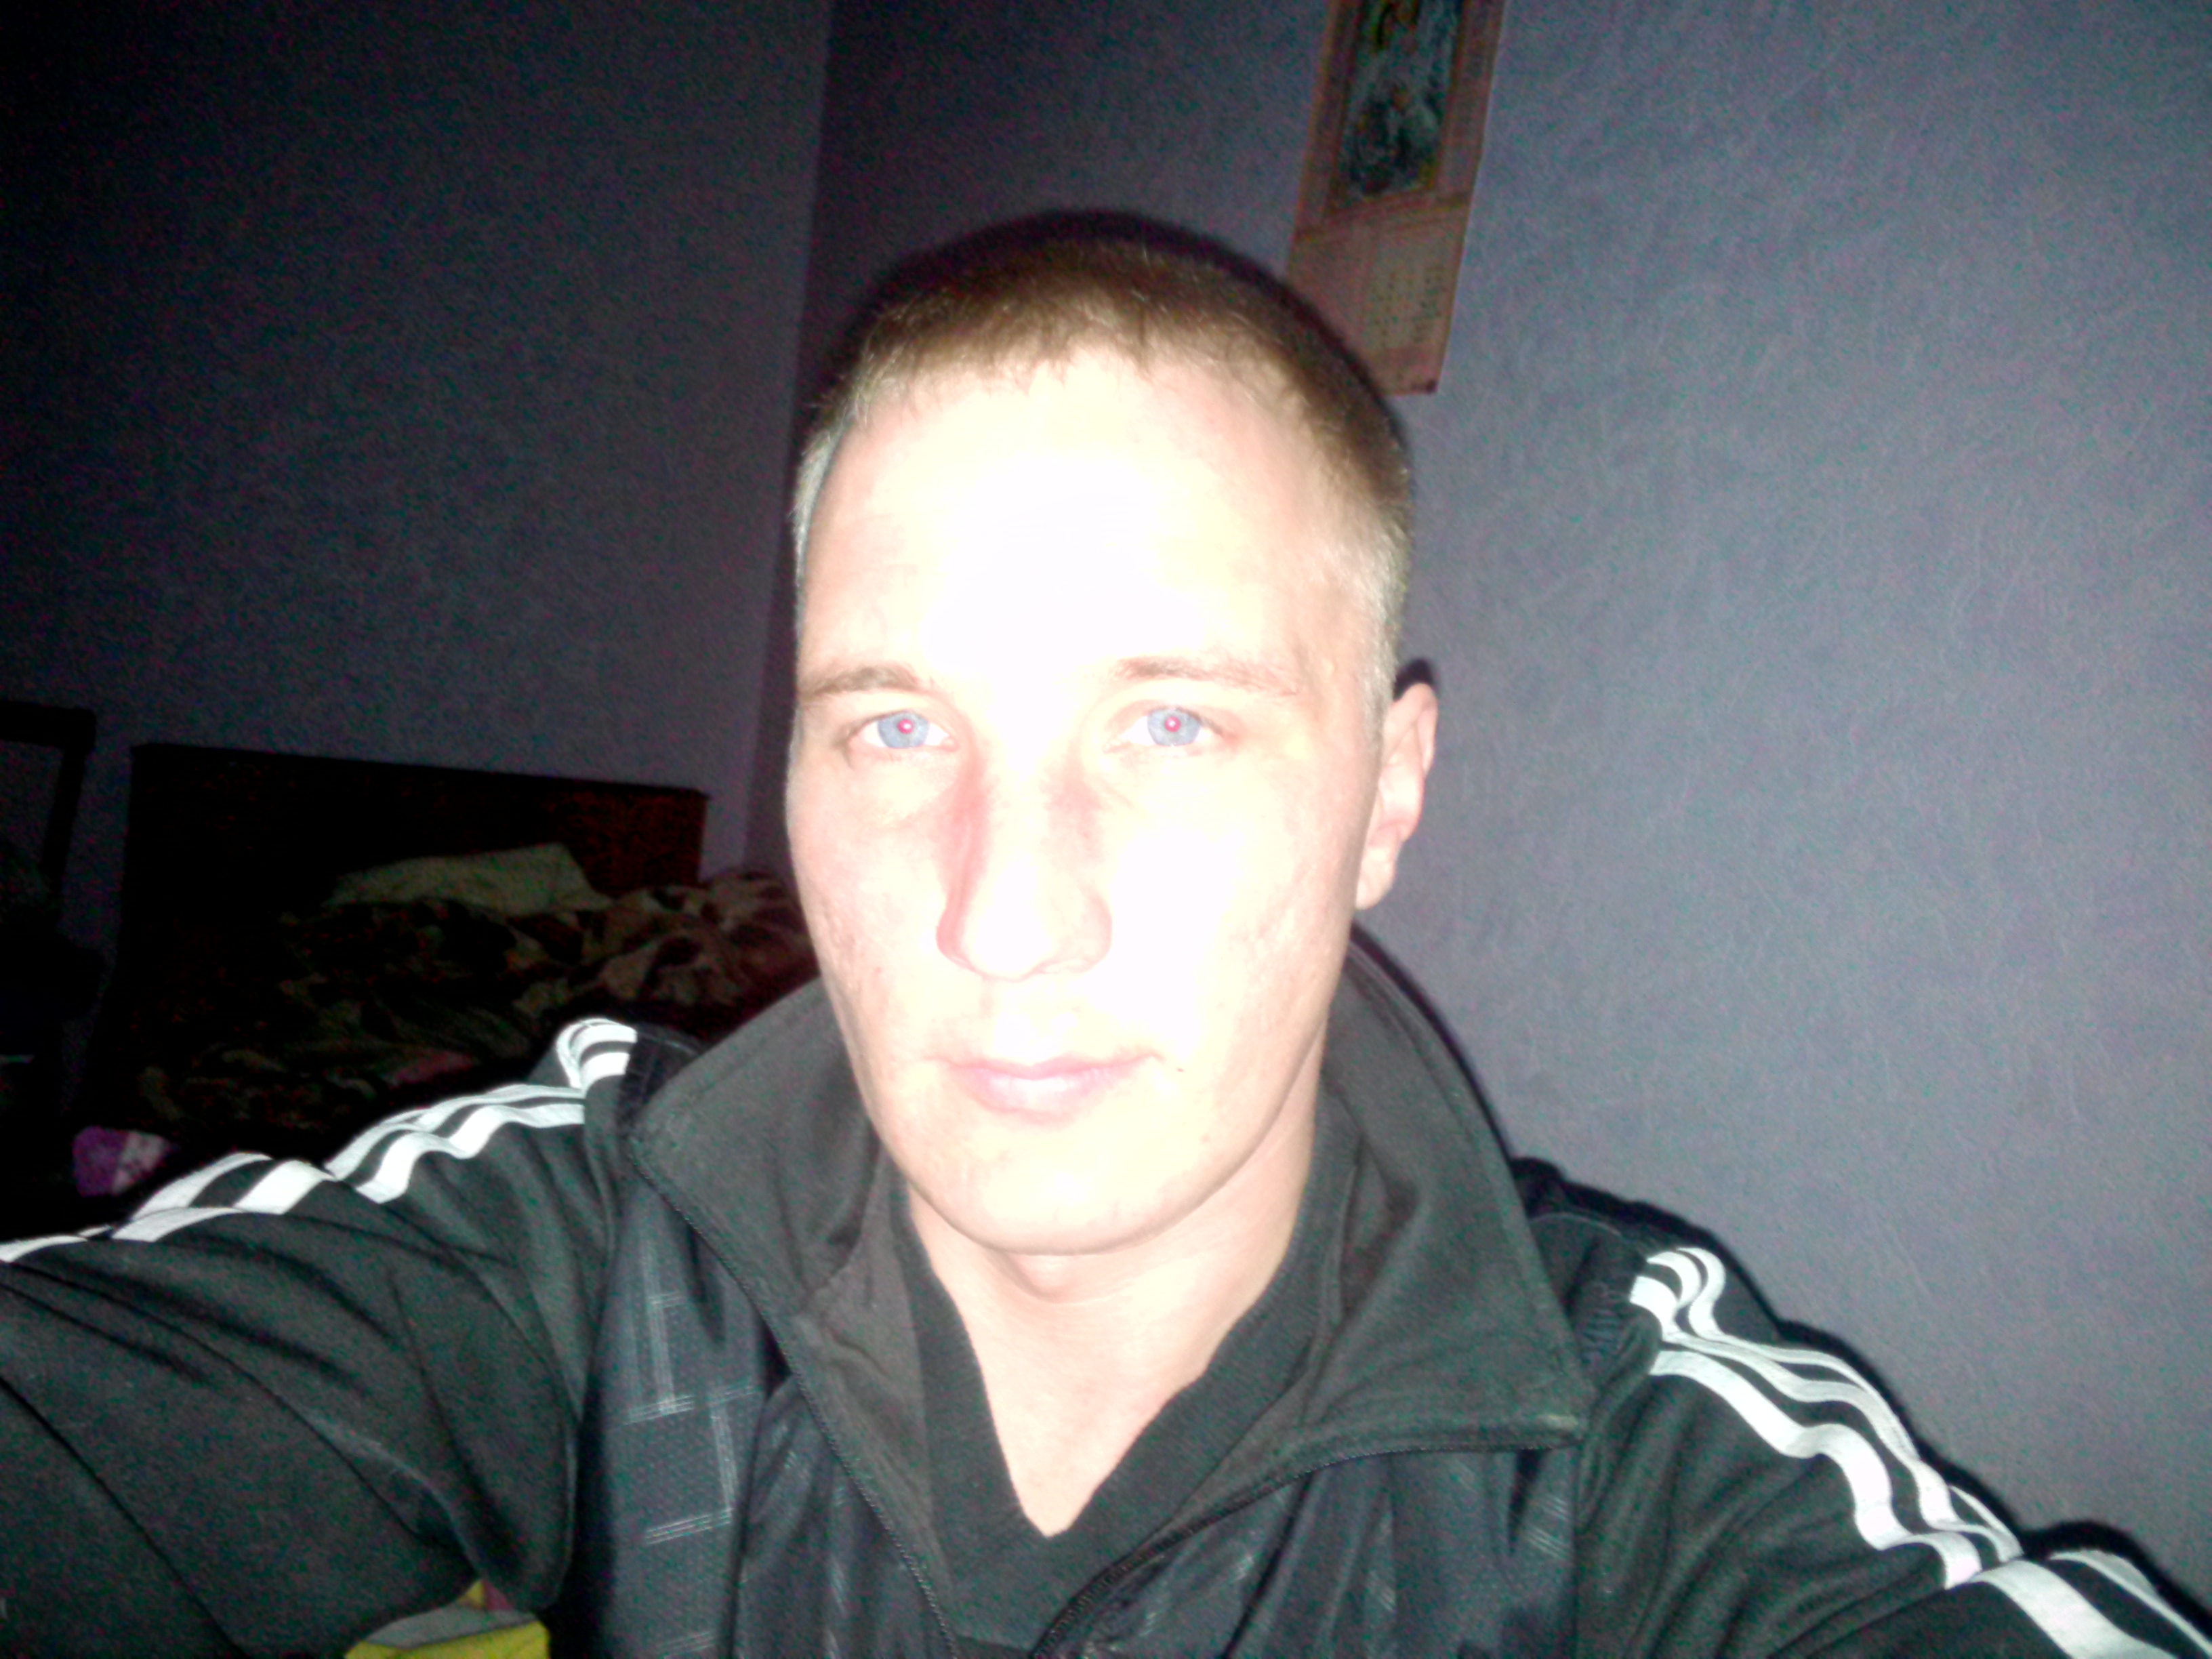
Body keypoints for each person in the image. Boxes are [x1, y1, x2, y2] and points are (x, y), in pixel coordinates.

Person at [1, 219, 2203, 1659]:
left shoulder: (1629, 1447)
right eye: (894, 725)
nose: (1001, 912)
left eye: (1167, 724)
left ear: (1389, 795)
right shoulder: (593, 1237)